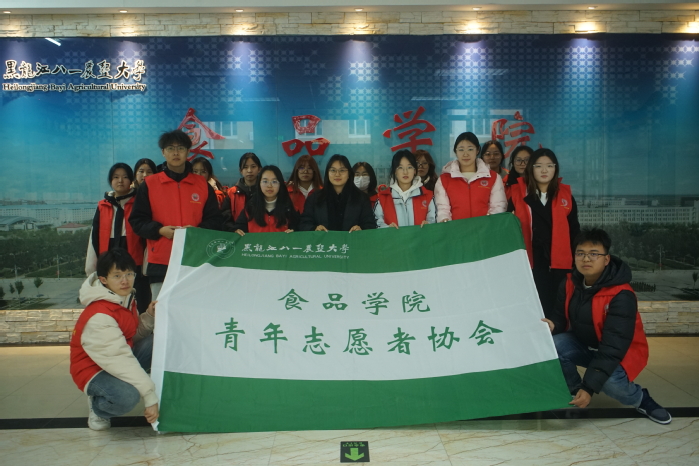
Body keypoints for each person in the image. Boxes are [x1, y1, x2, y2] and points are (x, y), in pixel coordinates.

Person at [543, 228, 671, 424]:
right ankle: (575, 390)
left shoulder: (621, 295)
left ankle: (642, 399)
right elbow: (560, 317)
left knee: (610, 383)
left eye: (594, 254)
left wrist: (590, 386)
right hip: (586, 343)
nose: (586, 259)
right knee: (554, 345)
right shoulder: (570, 283)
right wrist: (554, 324)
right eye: (580, 253)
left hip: (618, 351)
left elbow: (613, 347)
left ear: (606, 259)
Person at [70, 248, 158, 431]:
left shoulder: (124, 298)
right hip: (94, 370)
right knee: (127, 397)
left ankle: (140, 385)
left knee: (155, 343)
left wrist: (149, 316)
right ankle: (98, 407)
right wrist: (150, 396)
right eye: (117, 276)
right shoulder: (99, 315)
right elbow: (118, 357)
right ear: (104, 280)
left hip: (116, 356)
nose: (125, 280)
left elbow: (131, 335)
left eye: (128, 274)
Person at [129, 130, 223, 299]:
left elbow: (215, 220)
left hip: (195, 259)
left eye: (180, 148)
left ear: (188, 151)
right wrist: (159, 230)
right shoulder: (150, 184)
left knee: (193, 307)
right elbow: (137, 220)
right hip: (161, 261)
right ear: (163, 152)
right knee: (161, 309)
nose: (176, 152)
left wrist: (197, 232)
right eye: (170, 148)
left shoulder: (202, 185)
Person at [508, 148, 580, 319]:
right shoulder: (517, 193)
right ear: (531, 168)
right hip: (530, 261)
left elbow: (574, 230)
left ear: (556, 168)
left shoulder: (565, 195)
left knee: (558, 307)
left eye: (549, 165)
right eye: (539, 166)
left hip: (559, 261)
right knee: (533, 307)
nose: (544, 170)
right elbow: (508, 229)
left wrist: (576, 260)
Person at [85, 163, 150, 314]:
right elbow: (94, 237)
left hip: (135, 262)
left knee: (138, 303)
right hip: (109, 258)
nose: (120, 181)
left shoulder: (139, 202)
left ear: (131, 180)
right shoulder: (103, 206)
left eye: (125, 177)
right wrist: (91, 268)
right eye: (116, 177)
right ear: (110, 180)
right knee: (111, 305)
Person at [434, 132, 507, 222]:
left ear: (477, 150)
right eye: (461, 150)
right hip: (456, 229)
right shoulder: (444, 180)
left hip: (486, 228)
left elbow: (498, 207)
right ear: (455, 151)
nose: (465, 154)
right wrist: (445, 221)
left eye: (470, 149)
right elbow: (443, 210)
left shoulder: (493, 177)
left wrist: (489, 223)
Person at [299, 154, 377, 232]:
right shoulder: (314, 198)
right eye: (333, 170)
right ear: (327, 173)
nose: (337, 174)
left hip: (352, 239)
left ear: (349, 174)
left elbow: (370, 224)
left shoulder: (361, 198)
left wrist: (361, 229)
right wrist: (314, 228)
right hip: (323, 239)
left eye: (342, 170)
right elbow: (304, 223)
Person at [229, 165, 299, 234]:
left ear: (280, 184)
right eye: (265, 181)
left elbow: (298, 229)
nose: (269, 186)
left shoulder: (288, 208)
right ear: (259, 184)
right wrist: (236, 231)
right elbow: (238, 229)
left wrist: (294, 231)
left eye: (274, 182)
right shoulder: (250, 208)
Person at [375, 150, 436, 228]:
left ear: (415, 170)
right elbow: (377, 223)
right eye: (400, 168)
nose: (405, 172)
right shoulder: (383, 198)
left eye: (409, 167)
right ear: (395, 171)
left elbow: (434, 220)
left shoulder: (428, 196)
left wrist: (429, 225)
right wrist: (387, 229)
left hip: (421, 236)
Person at [222, 153, 261, 228]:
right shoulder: (231, 193)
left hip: (260, 233)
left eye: (253, 167)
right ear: (240, 170)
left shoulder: (265, 191)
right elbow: (225, 217)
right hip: (237, 233)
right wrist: (234, 229)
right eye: (245, 167)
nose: (249, 170)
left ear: (259, 169)